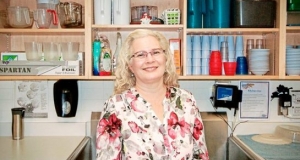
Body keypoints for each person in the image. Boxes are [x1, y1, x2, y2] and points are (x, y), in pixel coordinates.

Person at [96, 29, 209, 160]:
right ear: (130, 66)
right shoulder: (115, 106)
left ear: (166, 59)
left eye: (156, 52)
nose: (150, 60)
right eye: (140, 55)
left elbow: (201, 155)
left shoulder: (187, 101)